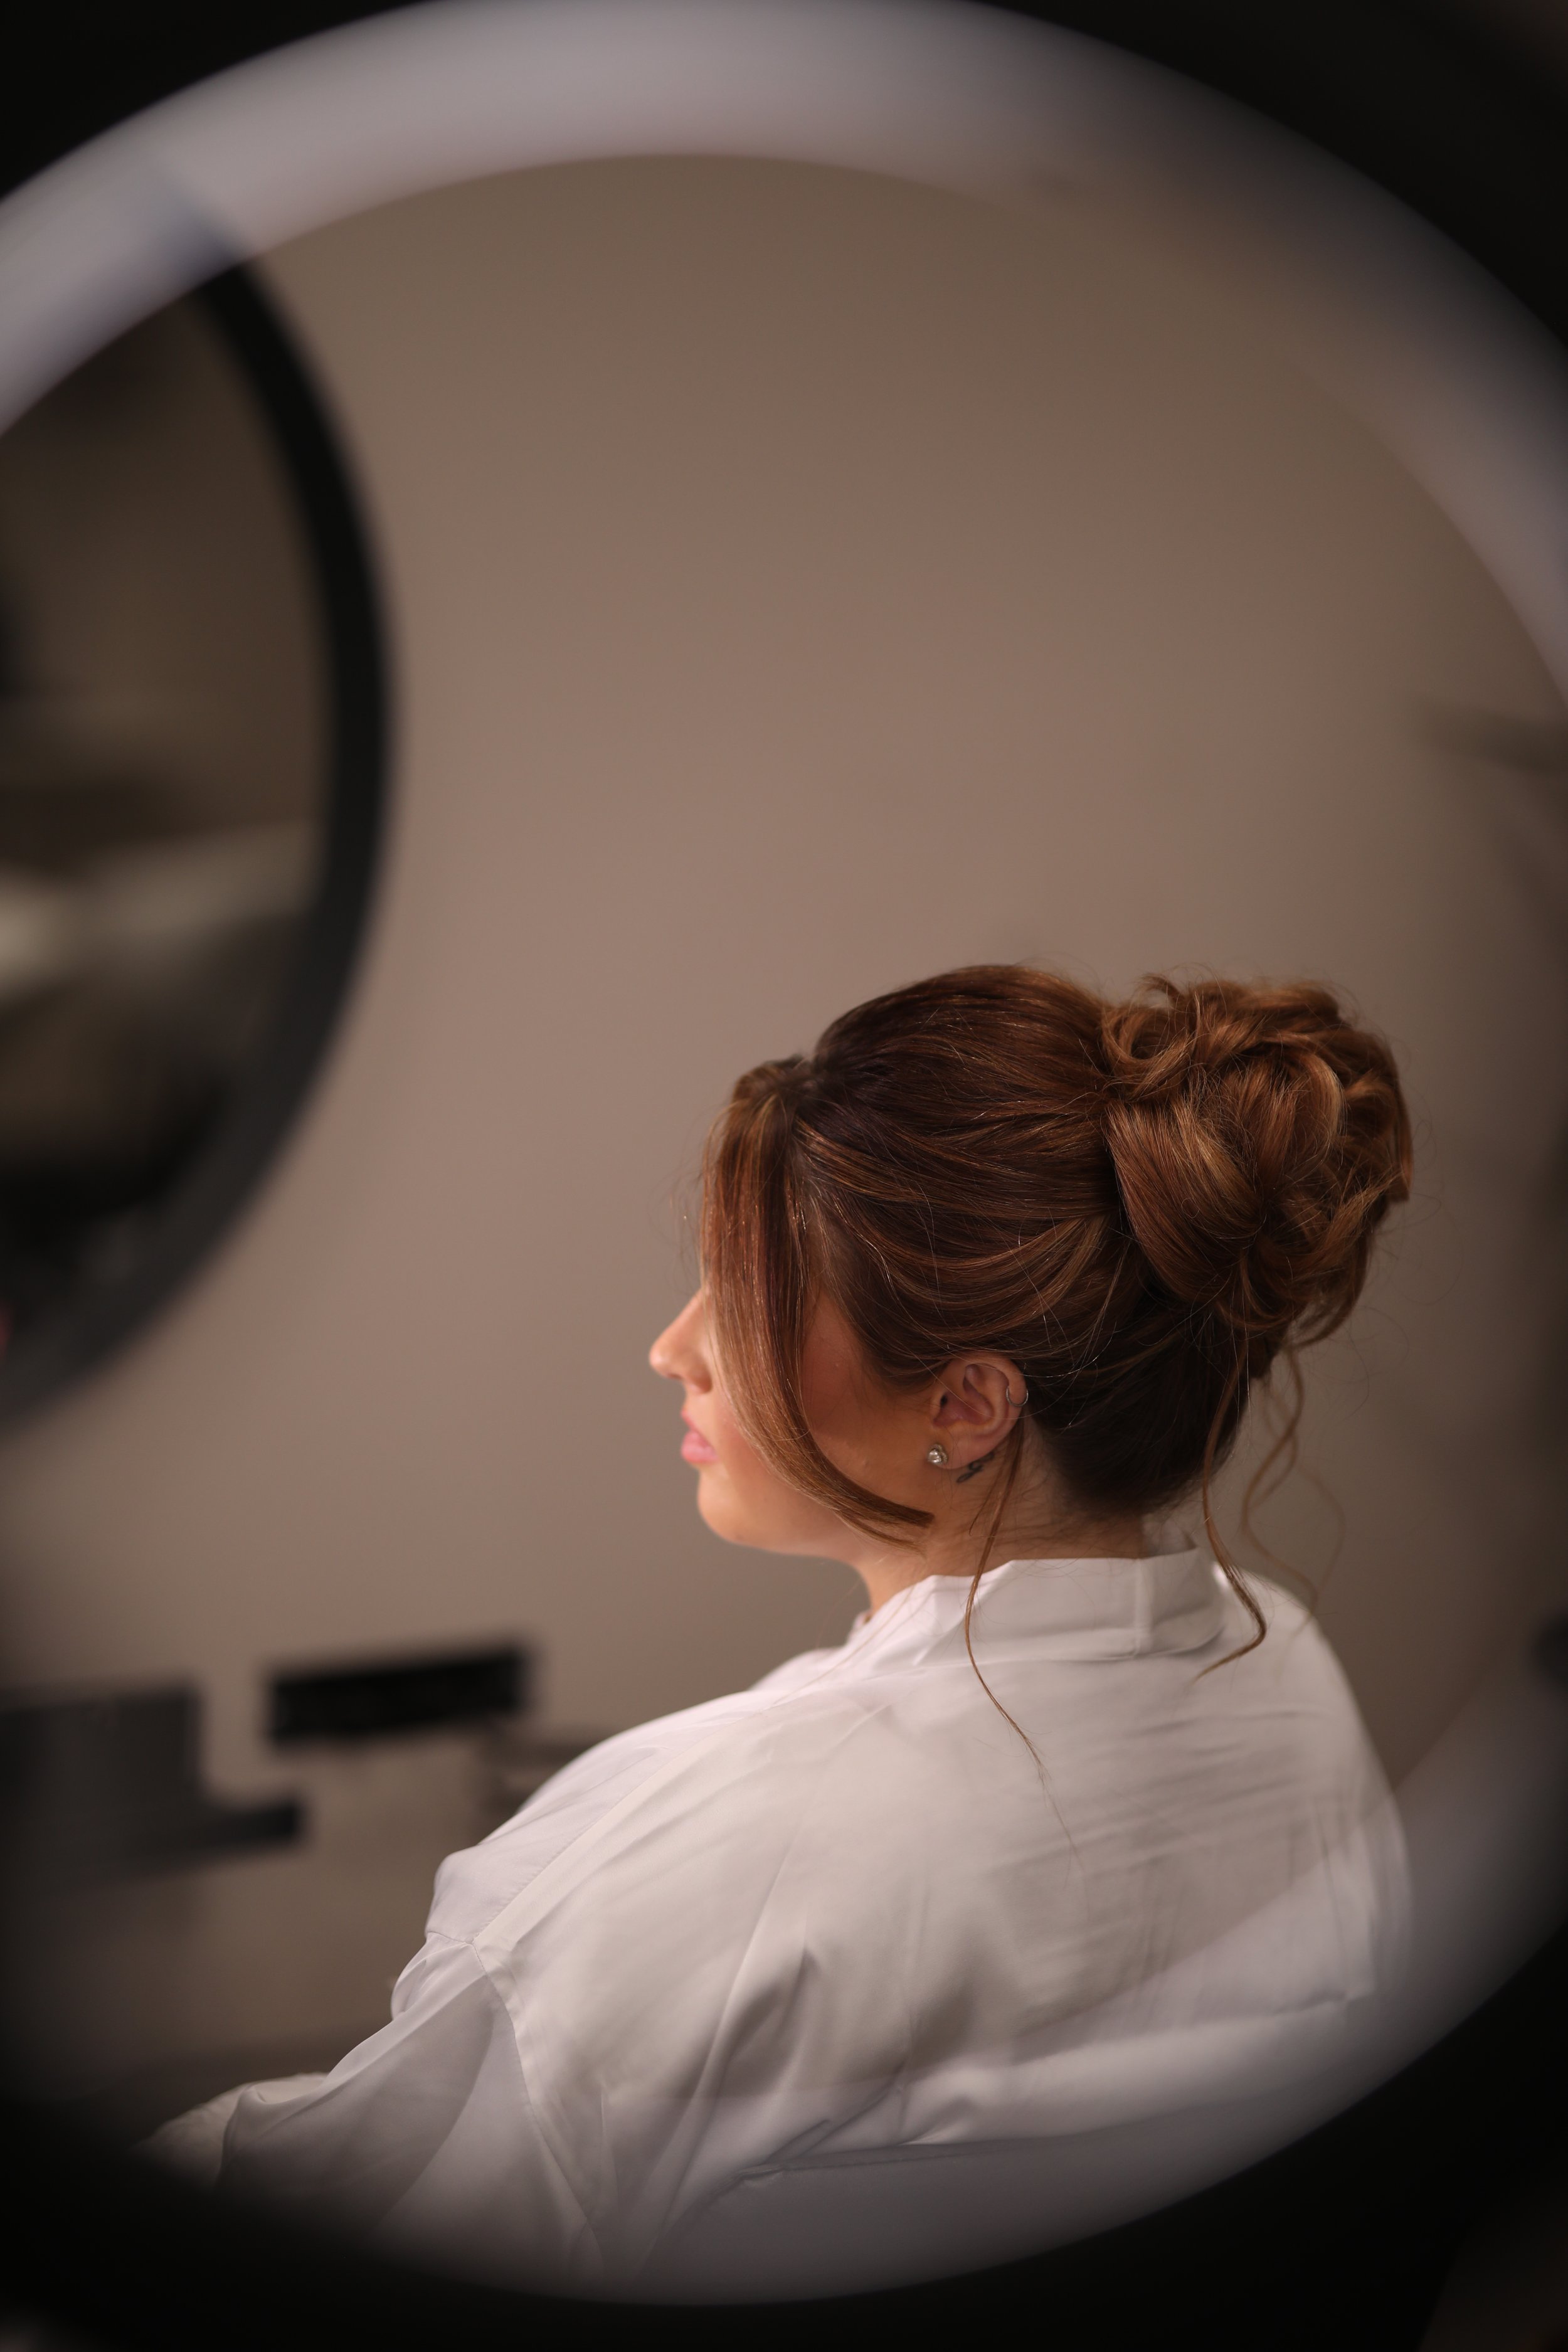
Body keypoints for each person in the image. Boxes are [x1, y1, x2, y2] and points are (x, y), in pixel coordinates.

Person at [146, 965, 1413, 2301]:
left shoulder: (708, 1863)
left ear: (969, 1404)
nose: (673, 1347)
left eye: (739, 1300)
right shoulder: (1288, 1685)